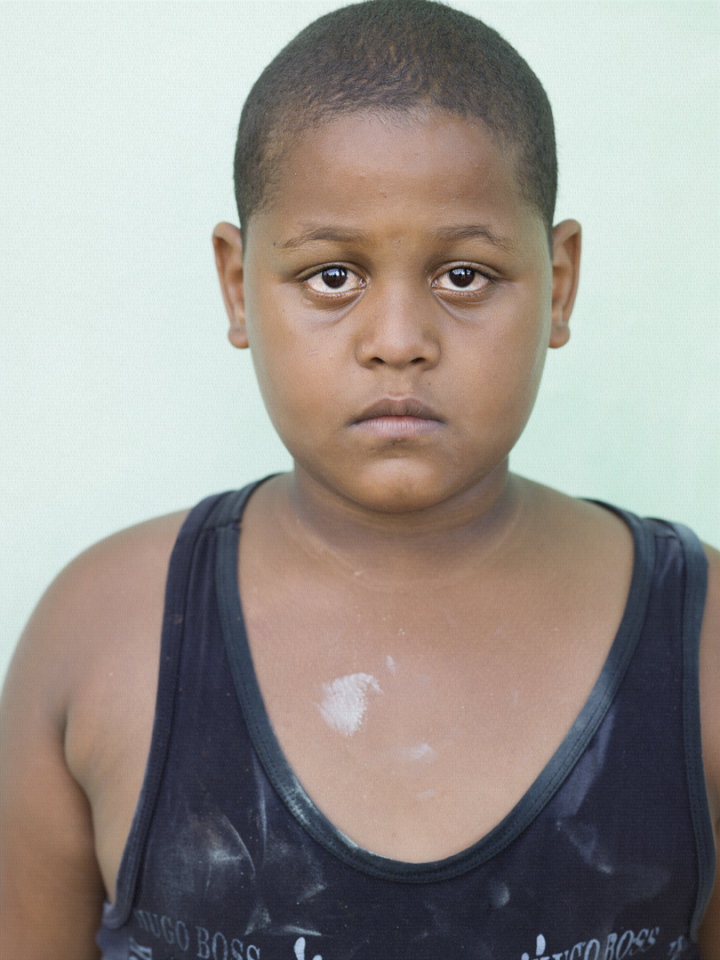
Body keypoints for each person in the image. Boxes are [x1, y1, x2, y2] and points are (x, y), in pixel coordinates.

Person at [1, 1, 719, 957]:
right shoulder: (100, 635)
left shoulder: (702, 645)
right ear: (236, 283)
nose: (397, 343)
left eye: (463, 275)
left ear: (561, 280)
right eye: (332, 276)